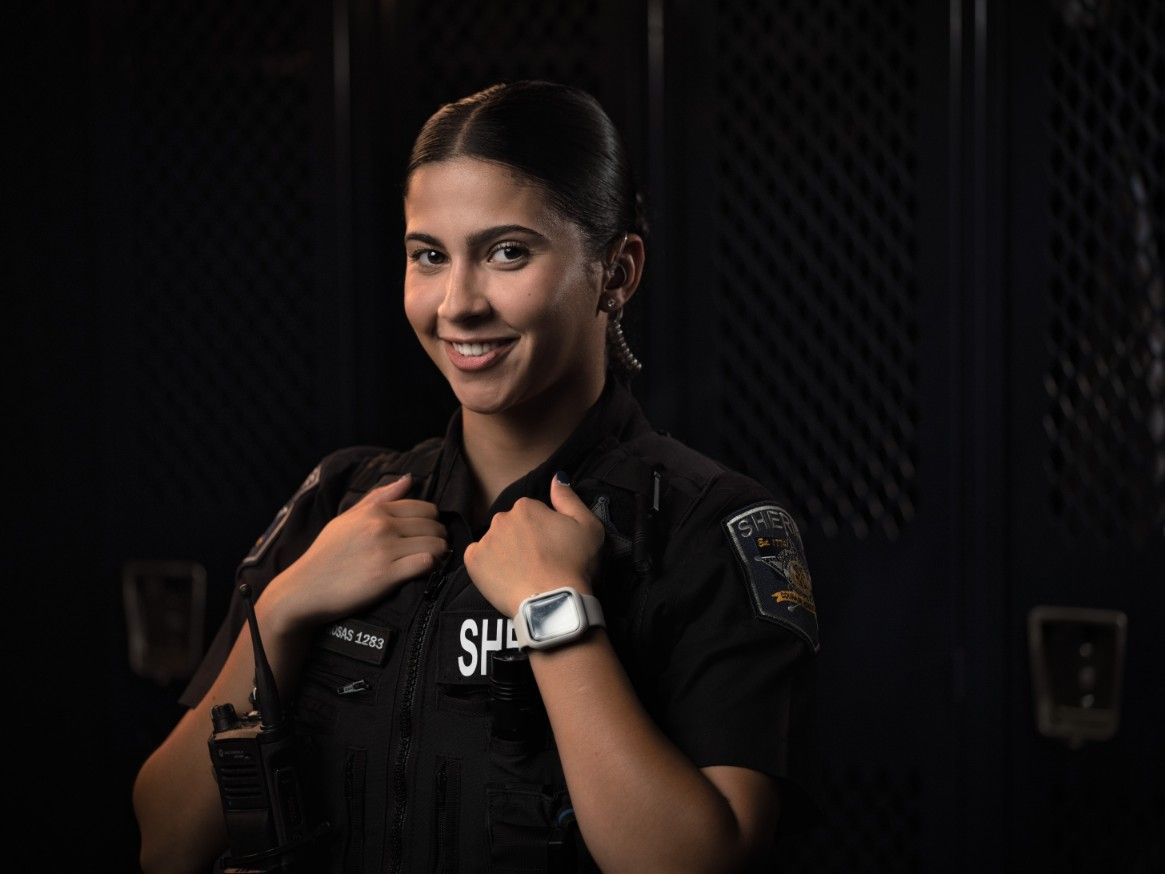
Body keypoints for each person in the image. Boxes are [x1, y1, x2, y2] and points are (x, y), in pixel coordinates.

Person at [132, 79, 819, 874]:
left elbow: (698, 862)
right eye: (428, 256)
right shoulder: (342, 498)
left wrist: (557, 616)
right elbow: (166, 842)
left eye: (506, 253)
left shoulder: (709, 528)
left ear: (616, 272)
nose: (456, 304)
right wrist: (282, 612)